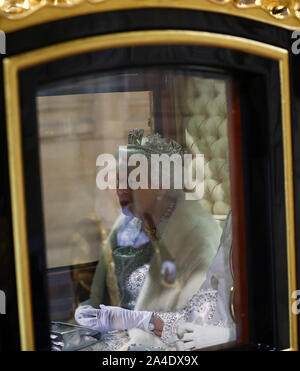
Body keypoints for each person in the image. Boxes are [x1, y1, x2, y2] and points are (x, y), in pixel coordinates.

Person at [75, 129, 225, 349]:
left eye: (133, 178)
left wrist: (141, 324)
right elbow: (100, 299)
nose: (121, 187)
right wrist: (88, 314)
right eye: (118, 178)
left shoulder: (198, 235)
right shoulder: (126, 225)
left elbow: (200, 326)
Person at [75, 211, 235, 350]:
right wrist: (136, 319)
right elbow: (199, 312)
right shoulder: (233, 220)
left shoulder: (196, 231)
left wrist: (232, 335)